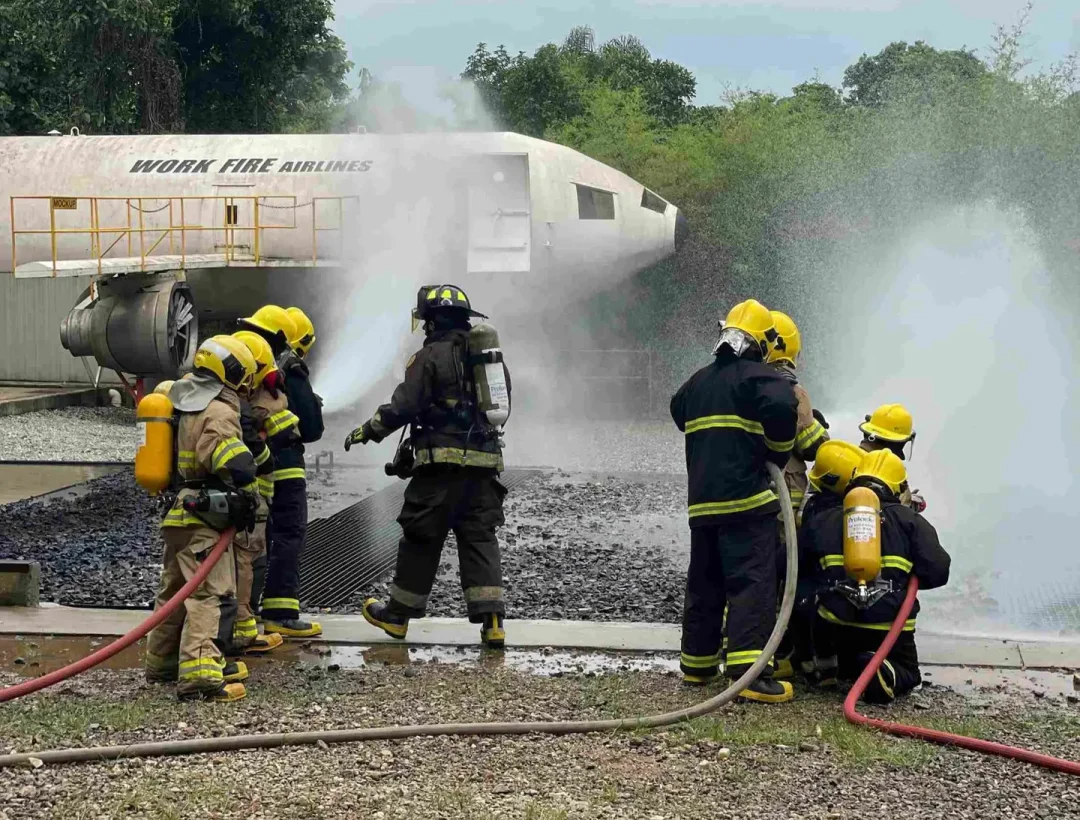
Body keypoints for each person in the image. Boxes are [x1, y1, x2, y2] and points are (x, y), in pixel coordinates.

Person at [344, 284, 510, 648]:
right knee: (480, 538)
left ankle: (398, 618)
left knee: (421, 538)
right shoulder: (489, 358)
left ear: (432, 322)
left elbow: (405, 406)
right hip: (484, 469)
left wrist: (368, 430)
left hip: (439, 470)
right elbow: (500, 405)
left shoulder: (429, 356)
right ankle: (493, 622)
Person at [669, 299, 799, 703]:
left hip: (703, 504)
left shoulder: (698, 381)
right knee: (751, 583)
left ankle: (697, 665)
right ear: (762, 342)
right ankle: (749, 674)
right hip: (745, 503)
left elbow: (678, 409)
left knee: (705, 584)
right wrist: (775, 452)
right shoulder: (757, 378)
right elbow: (782, 405)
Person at [144, 336, 261, 702]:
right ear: (232, 371)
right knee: (209, 594)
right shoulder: (219, 411)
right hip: (204, 520)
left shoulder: (180, 403)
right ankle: (199, 677)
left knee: (174, 594)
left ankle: (161, 662)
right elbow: (228, 459)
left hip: (178, 514)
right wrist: (248, 469)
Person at [803, 449, 951, 702]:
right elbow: (938, 571)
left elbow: (799, 570)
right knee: (909, 673)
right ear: (897, 486)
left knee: (832, 634)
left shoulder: (824, 519)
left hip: (835, 625)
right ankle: (885, 673)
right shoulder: (911, 521)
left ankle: (829, 669)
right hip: (889, 626)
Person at [237, 305, 324, 639]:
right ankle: (281, 612)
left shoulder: (238, 358)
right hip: (284, 467)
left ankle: (242, 612)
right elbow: (312, 427)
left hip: (243, 465)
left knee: (249, 540)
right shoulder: (288, 366)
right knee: (288, 534)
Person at [764, 310, 829, 679]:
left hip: (749, 497)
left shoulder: (744, 385)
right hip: (784, 503)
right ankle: (785, 654)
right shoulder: (791, 391)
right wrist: (818, 425)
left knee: (749, 577)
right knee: (785, 578)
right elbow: (813, 447)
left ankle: (740, 647)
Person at [227, 330, 288, 655]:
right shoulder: (238, 406)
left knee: (246, 561)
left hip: (246, 500)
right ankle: (241, 632)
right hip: (246, 500)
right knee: (244, 563)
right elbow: (255, 452)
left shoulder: (226, 400)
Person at [785, 440, 867, 678]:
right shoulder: (859, 513)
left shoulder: (813, 509)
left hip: (814, 593)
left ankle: (810, 664)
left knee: (801, 600)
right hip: (856, 604)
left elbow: (795, 553)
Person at [858, 403, 925, 512]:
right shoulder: (891, 471)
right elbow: (901, 512)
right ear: (896, 444)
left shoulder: (847, 459)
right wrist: (910, 502)